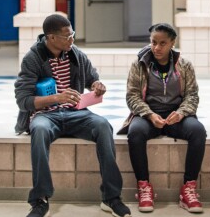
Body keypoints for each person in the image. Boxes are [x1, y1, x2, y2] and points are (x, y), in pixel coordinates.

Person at [14, 13, 131, 217]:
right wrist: (57, 98)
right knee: (39, 131)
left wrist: (96, 85)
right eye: (67, 36)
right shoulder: (33, 58)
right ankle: (40, 199)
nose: (72, 39)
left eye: (72, 34)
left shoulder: (75, 53)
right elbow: (23, 100)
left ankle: (111, 197)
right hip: (45, 116)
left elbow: (92, 78)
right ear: (50, 38)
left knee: (103, 126)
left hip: (75, 113)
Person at [119, 23, 207, 213]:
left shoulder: (184, 65)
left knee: (198, 131)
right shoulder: (140, 64)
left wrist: (182, 113)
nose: (157, 48)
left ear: (172, 43)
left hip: (177, 115)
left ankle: (188, 188)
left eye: (162, 43)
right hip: (149, 114)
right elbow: (132, 96)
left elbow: (192, 95)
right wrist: (149, 114)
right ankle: (144, 187)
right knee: (135, 132)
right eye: (153, 42)